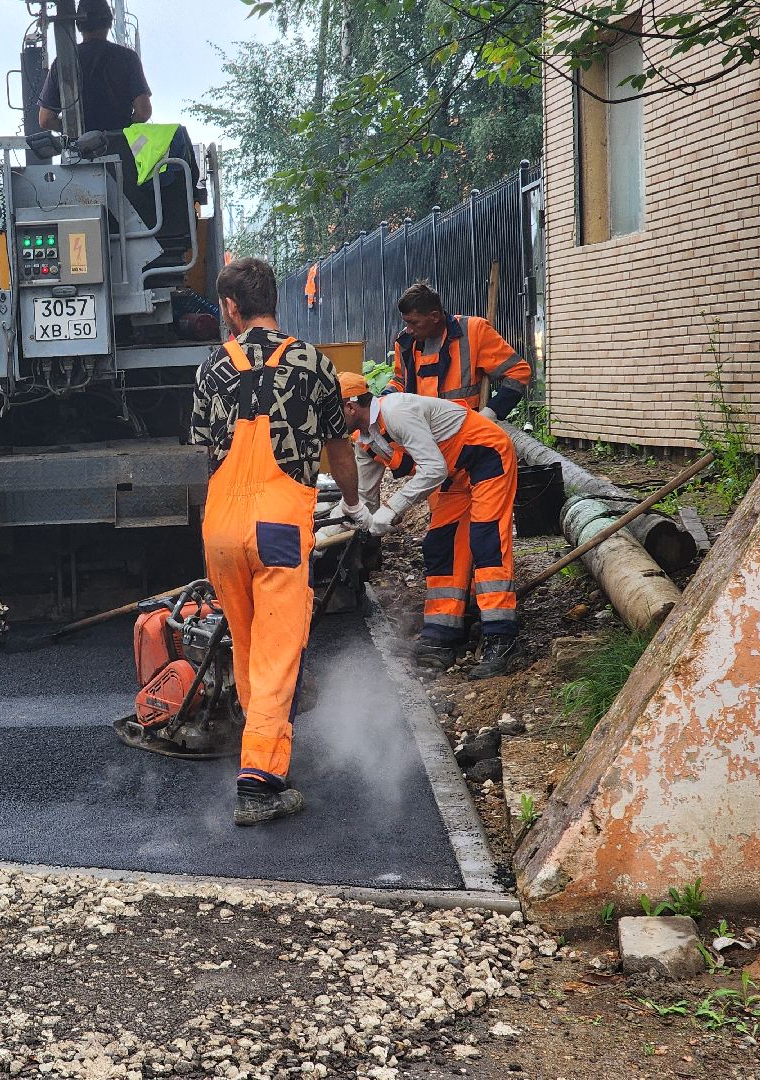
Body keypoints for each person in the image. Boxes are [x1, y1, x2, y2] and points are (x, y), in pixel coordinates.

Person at [191, 257, 366, 827]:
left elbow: (204, 449)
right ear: (273, 301)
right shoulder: (314, 363)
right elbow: (339, 451)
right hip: (278, 529)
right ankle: (260, 784)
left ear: (231, 309)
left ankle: (258, 753)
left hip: (220, 529)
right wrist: (354, 500)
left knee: (246, 647)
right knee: (276, 653)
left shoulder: (212, 366)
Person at [339, 372, 520, 680]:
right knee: (440, 544)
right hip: (454, 474)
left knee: (486, 540)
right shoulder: (364, 442)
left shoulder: (396, 412)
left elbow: (432, 468)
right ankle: (442, 632)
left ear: (351, 407)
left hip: (485, 455)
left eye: (330, 411)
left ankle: (502, 639)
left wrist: (393, 507)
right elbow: (363, 500)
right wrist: (338, 522)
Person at [386, 282, 531, 420]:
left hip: (466, 433)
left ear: (435, 316)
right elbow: (400, 381)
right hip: (420, 431)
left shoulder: (474, 331)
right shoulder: (405, 341)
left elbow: (518, 371)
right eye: (406, 322)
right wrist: (382, 399)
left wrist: (493, 411)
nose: (409, 329)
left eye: (414, 322)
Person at [37, 0, 152, 133]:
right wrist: (123, 131)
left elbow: (45, 119)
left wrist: (73, 130)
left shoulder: (64, 62)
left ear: (78, 23)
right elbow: (143, 112)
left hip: (80, 149)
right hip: (120, 147)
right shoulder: (127, 57)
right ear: (109, 20)